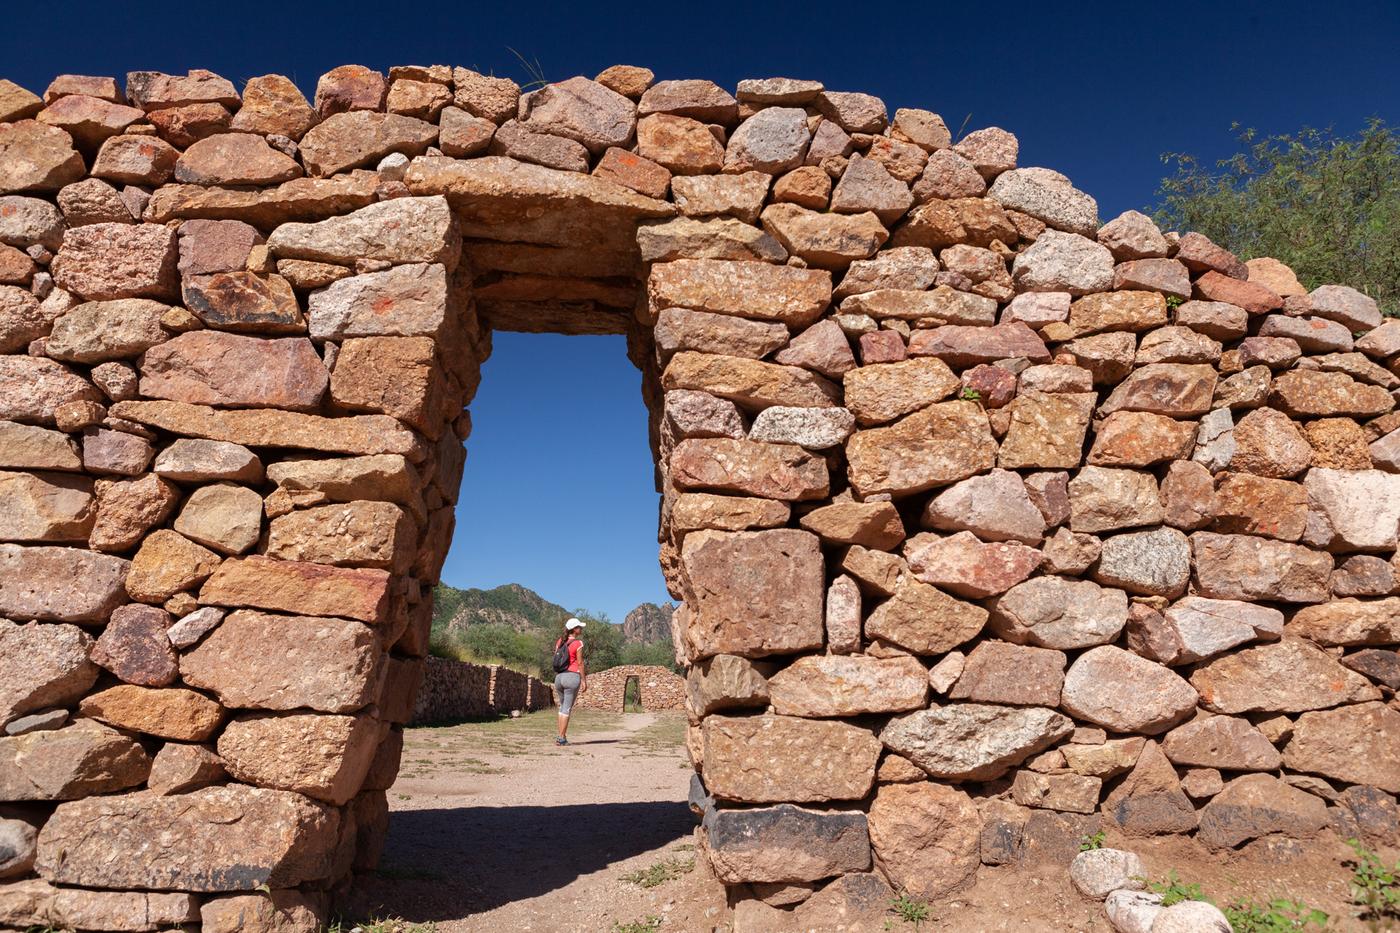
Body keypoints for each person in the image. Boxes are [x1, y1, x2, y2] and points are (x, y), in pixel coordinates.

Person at [553, 617, 587, 746]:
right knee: (566, 708)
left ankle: (562, 735)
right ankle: (561, 738)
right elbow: (580, 663)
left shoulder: (560, 641)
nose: (581, 629)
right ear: (574, 629)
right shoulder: (578, 643)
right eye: (579, 627)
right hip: (572, 677)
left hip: (559, 678)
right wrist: (584, 680)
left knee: (562, 708)